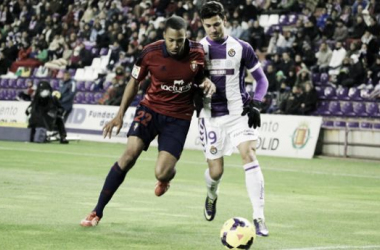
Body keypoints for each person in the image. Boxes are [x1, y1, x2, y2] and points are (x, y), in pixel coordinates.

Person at [80, 16, 215, 227]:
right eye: (171, 40)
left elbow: (201, 77)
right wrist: (119, 115)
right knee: (129, 154)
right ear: (164, 37)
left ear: (185, 36)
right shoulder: (149, 52)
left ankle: (165, 179)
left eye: (180, 40)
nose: (175, 45)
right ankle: (97, 211)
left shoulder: (198, 52)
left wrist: (205, 82)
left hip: (178, 117)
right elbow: (134, 83)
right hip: (150, 109)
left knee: (162, 171)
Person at [198, 1, 269, 237]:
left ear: (224, 20)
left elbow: (262, 81)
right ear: (203, 25)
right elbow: (188, 81)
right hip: (211, 117)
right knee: (216, 172)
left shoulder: (241, 47)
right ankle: (211, 196)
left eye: (217, 24)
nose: (213, 29)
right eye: (208, 25)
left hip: (239, 113)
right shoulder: (196, 50)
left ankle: (259, 217)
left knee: (248, 153)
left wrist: (257, 103)